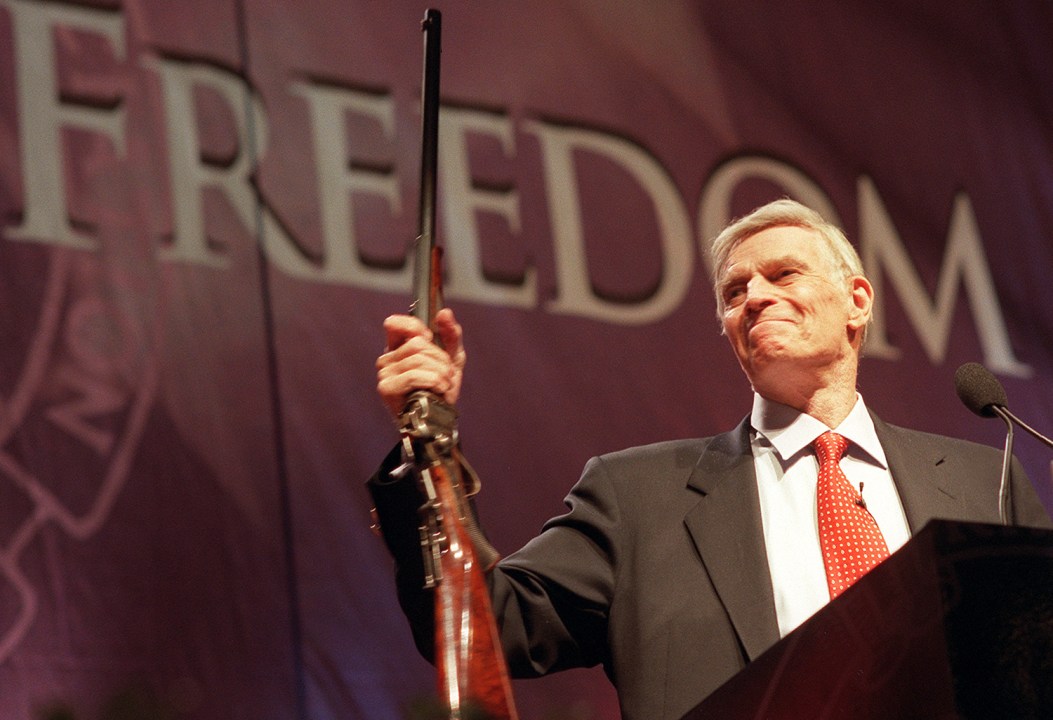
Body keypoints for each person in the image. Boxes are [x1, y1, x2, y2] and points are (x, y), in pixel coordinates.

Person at [369, 199, 1052, 720]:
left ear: (856, 300)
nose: (754, 297)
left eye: (782, 274)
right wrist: (429, 448)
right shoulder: (637, 498)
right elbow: (492, 622)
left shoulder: (983, 482)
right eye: (733, 292)